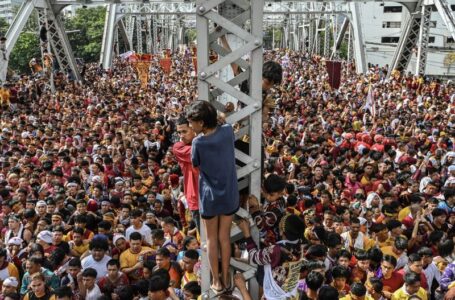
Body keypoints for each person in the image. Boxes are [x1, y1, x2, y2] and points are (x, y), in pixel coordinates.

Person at [187, 100, 239, 295]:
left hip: (209, 196)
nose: (191, 126)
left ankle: (216, 280)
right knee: (224, 237)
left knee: (211, 239)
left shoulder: (198, 142)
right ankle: (226, 276)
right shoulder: (226, 132)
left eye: (192, 122)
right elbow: (223, 121)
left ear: (201, 123)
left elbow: (195, 163)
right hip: (229, 193)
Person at [237, 213, 305, 299]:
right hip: (289, 293)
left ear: (281, 231)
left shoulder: (275, 250)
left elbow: (254, 256)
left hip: (273, 295)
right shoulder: (301, 247)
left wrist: (247, 234)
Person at [173, 116, 200, 232]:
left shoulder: (201, 141)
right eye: (179, 132)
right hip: (196, 200)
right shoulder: (178, 147)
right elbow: (201, 149)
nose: (181, 135)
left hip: (212, 195)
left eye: (184, 131)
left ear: (193, 128)